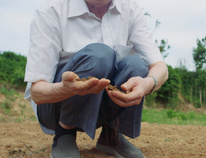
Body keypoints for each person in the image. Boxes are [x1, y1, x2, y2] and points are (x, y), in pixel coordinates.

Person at [24, 0, 168, 157]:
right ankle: (64, 134)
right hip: (54, 107)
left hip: (101, 105)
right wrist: (65, 89)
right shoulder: (51, 10)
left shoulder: (129, 9)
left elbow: (160, 67)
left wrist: (147, 84)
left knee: (137, 65)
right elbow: (37, 92)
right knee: (100, 55)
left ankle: (111, 135)